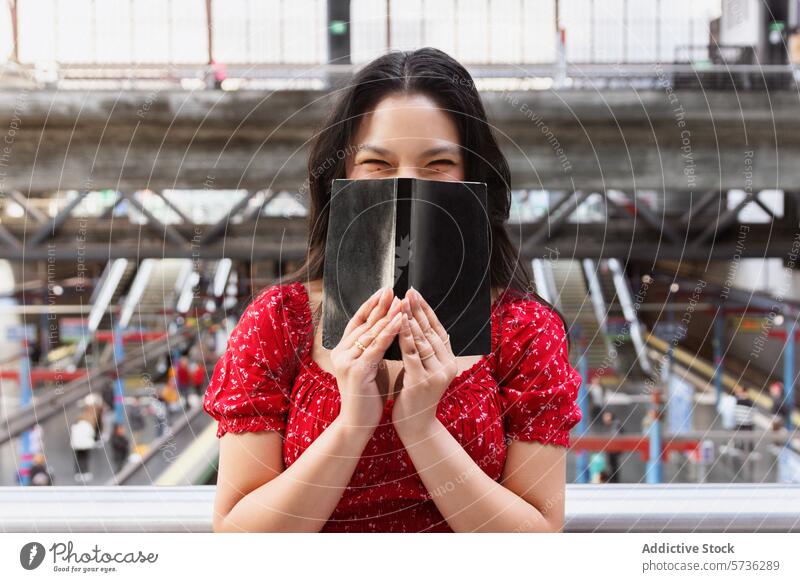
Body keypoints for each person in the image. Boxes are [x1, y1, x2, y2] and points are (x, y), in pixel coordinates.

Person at [203, 48, 583, 533]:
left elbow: (538, 539)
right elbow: (238, 537)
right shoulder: (278, 321)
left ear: (474, 176)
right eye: (378, 163)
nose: (406, 183)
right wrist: (353, 423)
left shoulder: (524, 331)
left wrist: (422, 427)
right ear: (342, 176)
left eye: (438, 163)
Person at [70, 411, 96, 482]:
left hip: (77, 445)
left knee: (78, 459)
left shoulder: (75, 426)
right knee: (85, 459)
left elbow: (73, 436)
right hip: (86, 445)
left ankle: (78, 473)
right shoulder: (88, 425)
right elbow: (92, 433)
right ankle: (85, 472)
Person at [600, 410, 624, 483]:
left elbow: (614, 435)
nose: (605, 418)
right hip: (612, 449)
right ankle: (612, 480)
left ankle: (612, 480)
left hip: (613, 449)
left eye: (607, 416)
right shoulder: (613, 425)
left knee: (612, 465)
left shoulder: (614, 425)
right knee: (612, 465)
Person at [733, 384, 756, 457]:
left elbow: (753, 410)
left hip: (745, 422)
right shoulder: (742, 400)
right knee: (743, 436)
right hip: (743, 422)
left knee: (747, 437)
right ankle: (742, 448)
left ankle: (748, 449)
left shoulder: (741, 401)